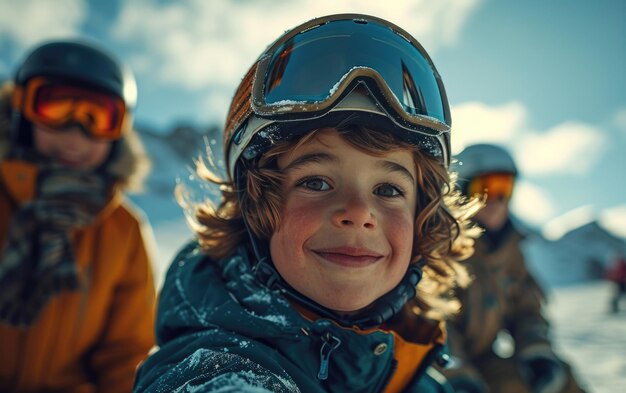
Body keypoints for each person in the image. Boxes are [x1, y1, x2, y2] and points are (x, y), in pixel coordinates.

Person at [134, 13, 481, 393]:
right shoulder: (218, 370)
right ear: (257, 209)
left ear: (423, 220)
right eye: (316, 182)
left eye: (388, 190)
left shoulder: (414, 374)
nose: (358, 213)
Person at [0, 40, 156, 392]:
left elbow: (127, 354)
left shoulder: (124, 231)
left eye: (97, 117)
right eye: (56, 107)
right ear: (22, 111)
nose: (75, 133)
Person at [442, 143, 585, 393]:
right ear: (461, 192)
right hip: (444, 362)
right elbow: (432, 320)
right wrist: (456, 373)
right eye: (484, 189)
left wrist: (536, 351)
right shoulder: (442, 245)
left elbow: (525, 308)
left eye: (504, 189)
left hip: (485, 357)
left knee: (562, 379)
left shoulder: (509, 251)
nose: (495, 200)